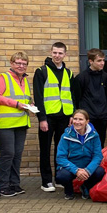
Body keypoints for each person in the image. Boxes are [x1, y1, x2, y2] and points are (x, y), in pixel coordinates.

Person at [33, 42, 75, 192]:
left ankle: (59, 178)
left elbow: (72, 96)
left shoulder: (69, 73)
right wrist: (41, 118)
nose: (57, 56)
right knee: (45, 148)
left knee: (61, 149)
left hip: (64, 116)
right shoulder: (41, 71)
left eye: (60, 53)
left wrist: (72, 115)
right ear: (51, 52)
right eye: (55, 53)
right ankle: (46, 181)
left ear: (65, 55)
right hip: (48, 117)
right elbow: (38, 97)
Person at [0, 52, 34, 197]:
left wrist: (30, 104)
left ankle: (14, 184)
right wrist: (17, 104)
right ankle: (3, 185)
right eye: (18, 63)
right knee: (8, 154)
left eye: (24, 64)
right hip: (5, 124)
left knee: (17, 155)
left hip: (21, 122)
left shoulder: (24, 80)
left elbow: (24, 99)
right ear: (12, 64)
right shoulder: (3, 77)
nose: (21, 66)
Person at [55, 109, 106, 200]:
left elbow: (98, 156)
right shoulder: (66, 136)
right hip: (71, 167)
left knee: (100, 172)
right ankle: (69, 190)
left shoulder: (94, 135)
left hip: (87, 166)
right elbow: (60, 158)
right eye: (75, 119)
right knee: (61, 176)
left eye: (81, 119)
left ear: (87, 121)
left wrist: (87, 170)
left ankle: (86, 187)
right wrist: (76, 170)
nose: (77, 122)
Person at [75, 48, 107, 147]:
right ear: (91, 61)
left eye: (103, 60)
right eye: (99, 61)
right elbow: (77, 97)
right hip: (88, 117)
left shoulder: (106, 77)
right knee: (86, 144)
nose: (102, 63)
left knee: (100, 144)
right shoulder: (81, 77)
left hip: (102, 116)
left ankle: (99, 163)